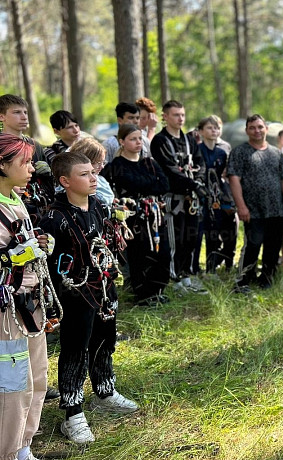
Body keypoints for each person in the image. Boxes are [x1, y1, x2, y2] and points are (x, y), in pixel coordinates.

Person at [41, 151, 139, 445]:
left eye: (92, 172)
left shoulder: (97, 204)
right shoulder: (53, 217)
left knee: (105, 342)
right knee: (75, 350)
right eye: (84, 174)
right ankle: (72, 414)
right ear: (65, 181)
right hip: (74, 295)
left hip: (105, 288)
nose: (93, 177)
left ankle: (105, 391)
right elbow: (48, 264)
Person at [0, 133, 53, 460]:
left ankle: (23, 446)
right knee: (13, 385)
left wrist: (39, 244)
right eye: (25, 162)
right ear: (2, 166)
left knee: (37, 377)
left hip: (31, 304)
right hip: (7, 315)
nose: (32, 167)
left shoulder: (16, 198)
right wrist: (15, 256)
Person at [101, 124, 171, 304]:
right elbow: (131, 183)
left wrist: (145, 187)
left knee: (162, 252)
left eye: (140, 138)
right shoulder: (116, 166)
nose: (138, 142)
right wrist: (147, 186)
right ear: (122, 142)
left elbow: (164, 185)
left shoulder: (149, 162)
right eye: (133, 139)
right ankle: (143, 294)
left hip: (154, 214)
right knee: (140, 254)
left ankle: (157, 290)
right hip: (134, 216)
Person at [228, 114, 283, 292]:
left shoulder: (275, 153)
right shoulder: (239, 152)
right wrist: (241, 206)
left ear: (266, 128)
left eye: (259, 127)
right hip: (253, 210)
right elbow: (234, 180)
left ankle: (266, 279)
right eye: (252, 127)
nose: (256, 131)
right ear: (246, 130)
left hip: (276, 209)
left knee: (272, 247)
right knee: (253, 245)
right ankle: (243, 281)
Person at [150, 100, 207, 293]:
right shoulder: (160, 141)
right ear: (165, 117)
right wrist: (193, 184)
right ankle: (173, 279)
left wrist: (198, 181)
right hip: (172, 198)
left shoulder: (190, 141)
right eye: (176, 115)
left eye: (182, 115)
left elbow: (200, 163)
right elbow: (170, 169)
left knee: (191, 238)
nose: (180, 118)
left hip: (192, 198)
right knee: (175, 240)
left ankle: (186, 275)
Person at [0, 94, 54, 217]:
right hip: (7, 209)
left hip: (37, 207)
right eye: (17, 112)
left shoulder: (35, 145)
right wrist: (8, 187)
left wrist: (48, 172)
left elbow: (47, 184)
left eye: (25, 112)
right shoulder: (1, 146)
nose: (24, 117)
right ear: (1, 117)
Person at [196, 116, 237, 274]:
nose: (214, 131)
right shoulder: (197, 150)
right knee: (205, 234)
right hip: (201, 197)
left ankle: (219, 267)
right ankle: (202, 269)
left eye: (216, 128)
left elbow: (225, 175)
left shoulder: (222, 152)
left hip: (219, 196)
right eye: (209, 128)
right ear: (201, 131)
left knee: (222, 231)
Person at [71, 138, 115, 207]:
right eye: (98, 162)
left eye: (103, 162)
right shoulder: (75, 184)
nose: (102, 166)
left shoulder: (101, 180)